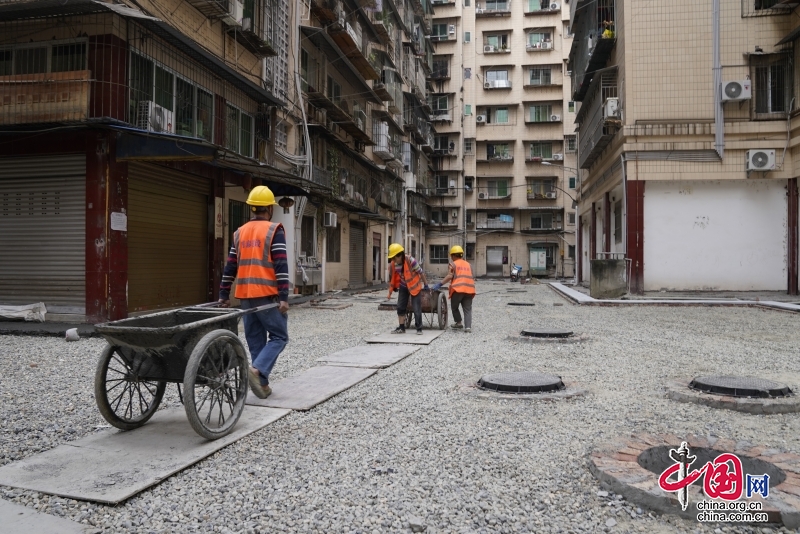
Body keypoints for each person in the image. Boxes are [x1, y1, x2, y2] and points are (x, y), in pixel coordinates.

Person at [218, 185, 289, 399]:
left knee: (256, 339)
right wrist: (284, 297)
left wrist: (223, 294)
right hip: (266, 295)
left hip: (245, 297)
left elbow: (230, 265)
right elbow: (281, 264)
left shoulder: (239, 233)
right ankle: (256, 370)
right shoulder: (273, 230)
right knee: (279, 336)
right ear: (269, 207)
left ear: (251, 208)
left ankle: (262, 385)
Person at [386, 243, 429, 335]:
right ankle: (401, 328)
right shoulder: (394, 264)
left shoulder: (411, 260)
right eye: (392, 258)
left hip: (414, 286)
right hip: (403, 286)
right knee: (400, 306)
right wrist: (393, 287)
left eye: (395, 258)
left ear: (400, 255)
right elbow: (393, 276)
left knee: (416, 307)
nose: (393, 260)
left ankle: (419, 328)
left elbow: (420, 272)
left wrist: (425, 284)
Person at [433, 245, 476, 332]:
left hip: (458, 289)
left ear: (453, 255)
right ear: (461, 255)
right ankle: (468, 327)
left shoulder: (453, 264)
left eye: (451, 256)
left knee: (454, 307)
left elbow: (449, 276)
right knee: (467, 309)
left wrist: (439, 284)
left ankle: (459, 323)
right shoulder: (469, 265)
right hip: (469, 289)